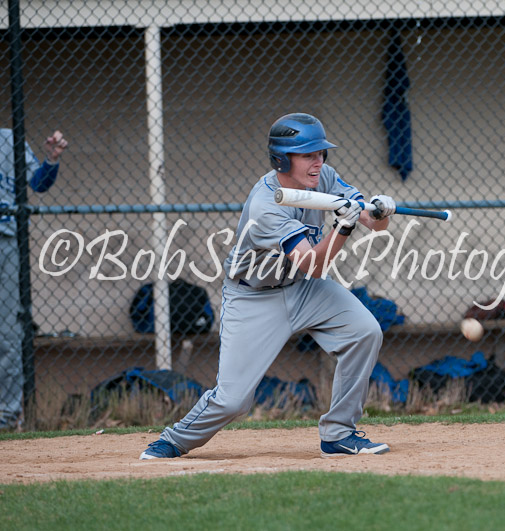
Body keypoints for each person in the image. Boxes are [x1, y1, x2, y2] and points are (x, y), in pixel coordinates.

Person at [140, 113, 396, 459]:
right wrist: (343, 228)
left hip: (303, 289)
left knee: (365, 331)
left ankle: (338, 434)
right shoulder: (264, 205)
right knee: (233, 400)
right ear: (282, 158)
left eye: (320, 153)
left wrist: (380, 212)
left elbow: (372, 223)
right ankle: (174, 440)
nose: (317, 161)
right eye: (307, 155)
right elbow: (315, 263)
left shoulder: (325, 177)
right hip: (254, 297)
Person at [0, 129, 69, 430]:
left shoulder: (7, 139)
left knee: (8, 332)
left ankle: (7, 414)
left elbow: (37, 184)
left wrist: (51, 160)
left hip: (6, 240)